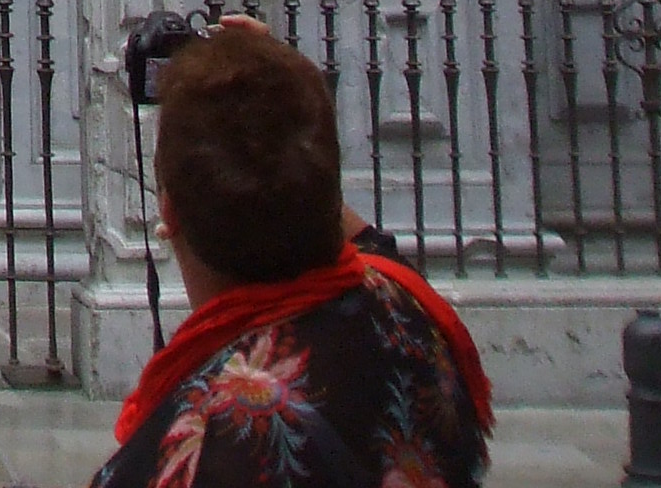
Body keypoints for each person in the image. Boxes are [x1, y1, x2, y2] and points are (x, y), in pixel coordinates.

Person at [91, 24, 491, 488]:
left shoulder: (194, 446)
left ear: (168, 213)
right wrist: (278, 95)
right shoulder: (406, 312)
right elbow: (353, 229)